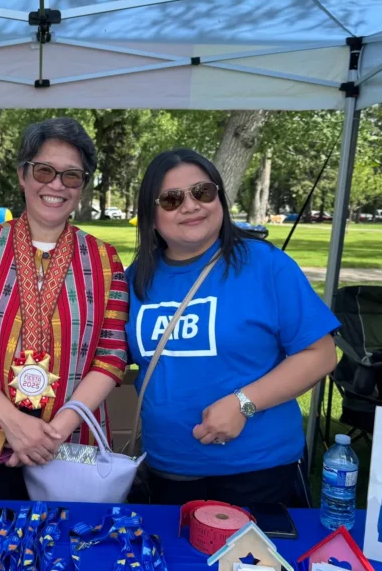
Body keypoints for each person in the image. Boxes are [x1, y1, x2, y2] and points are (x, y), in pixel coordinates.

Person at [126, 149, 339, 507]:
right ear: (151, 216)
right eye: (172, 199)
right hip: (166, 472)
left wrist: (244, 403)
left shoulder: (265, 264)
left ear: (220, 198)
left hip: (259, 472)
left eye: (203, 192)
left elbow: (321, 353)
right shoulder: (136, 279)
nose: (191, 205)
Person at [0, 117, 129, 500]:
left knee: (69, 538)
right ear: (22, 175)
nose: (56, 185)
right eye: (44, 171)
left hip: (72, 445)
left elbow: (111, 356)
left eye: (71, 176)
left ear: (82, 186)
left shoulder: (105, 261)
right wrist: (12, 422)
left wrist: (56, 432)